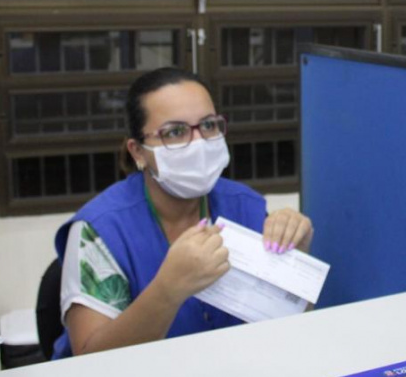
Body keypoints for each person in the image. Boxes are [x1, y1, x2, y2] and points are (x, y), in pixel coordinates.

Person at [51, 68, 313, 359]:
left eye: (208, 126)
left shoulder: (245, 206)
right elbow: (90, 361)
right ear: (138, 152)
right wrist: (168, 290)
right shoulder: (100, 230)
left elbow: (290, 327)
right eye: (175, 132)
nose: (198, 143)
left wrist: (296, 262)